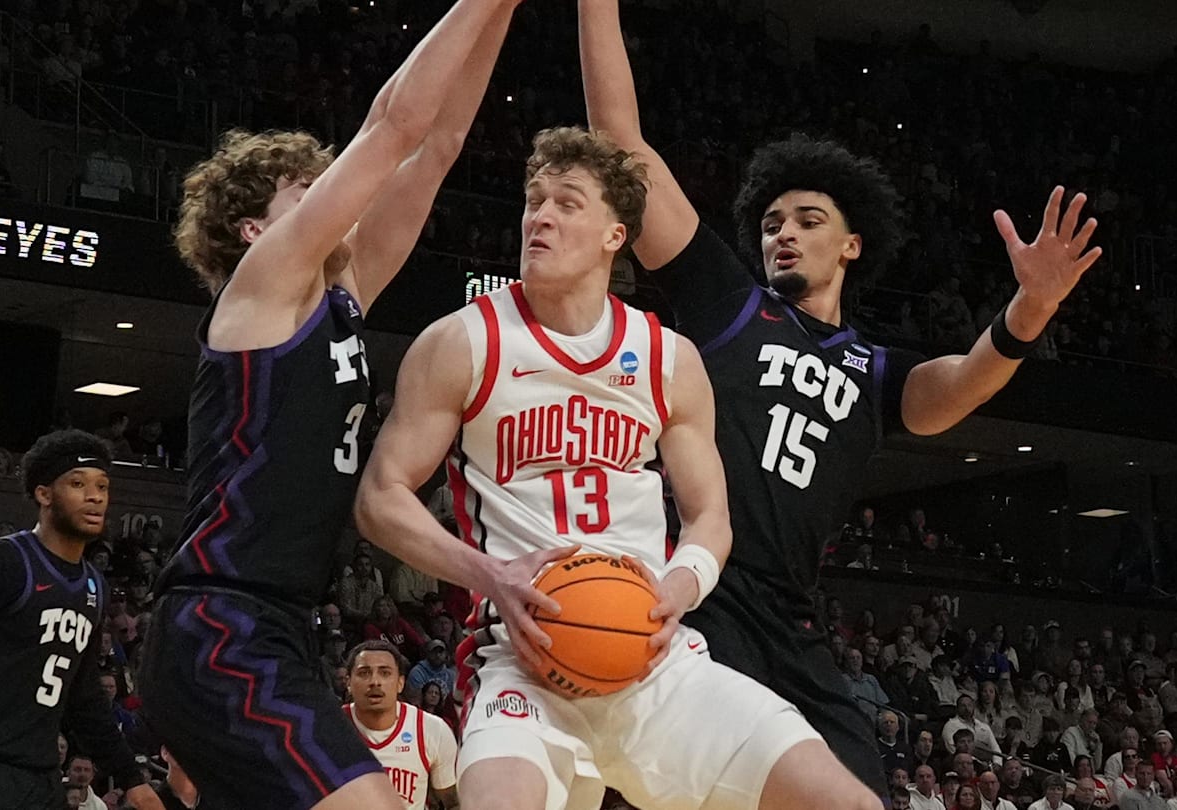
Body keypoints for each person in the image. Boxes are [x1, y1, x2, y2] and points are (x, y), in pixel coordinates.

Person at [577, 0, 1100, 796]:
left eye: (807, 220)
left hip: (791, 621)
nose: (781, 233)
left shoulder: (874, 369)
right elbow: (623, 143)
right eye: (771, 222)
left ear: (851, 245)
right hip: (697, 592)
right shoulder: (728, 302)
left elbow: (956, 387)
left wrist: (1030, 311)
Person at [357, 125, 875, 810]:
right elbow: (380, 497)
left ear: (615, 234)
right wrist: (492, 575)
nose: (539, 216)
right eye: (533, 201)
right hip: (520, 661)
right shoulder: (461, 341)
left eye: (567, 203)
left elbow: (709, 517)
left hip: (654, 662)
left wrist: (681, 587)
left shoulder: (670, 358)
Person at [137, 0, 528, 806]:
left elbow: (437, 144)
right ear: (252, 230)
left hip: (277, 625)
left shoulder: (338, 296)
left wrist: (506, 14)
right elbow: (391, 126)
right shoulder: (260, 289)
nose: (330, 198)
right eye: (303, 190)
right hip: (221, 625)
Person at [0, 431, 159, 809]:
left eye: (102, 486)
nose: (95, 496)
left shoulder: (94, 585)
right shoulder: (3, 561)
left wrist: (131, 779)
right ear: (44, 494)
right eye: (78, 484)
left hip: (39, 779)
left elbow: (85, 697)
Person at [342, 641, 458, 810]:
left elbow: (452, 803)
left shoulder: (432, 729)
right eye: (364, 673)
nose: (375, 681)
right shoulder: (328, 729)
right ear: (348, 682)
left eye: (385, 673)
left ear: (400, 683)